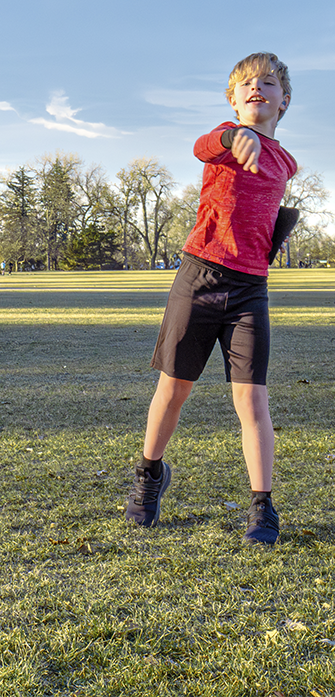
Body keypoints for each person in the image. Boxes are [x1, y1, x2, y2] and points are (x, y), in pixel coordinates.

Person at [124, 52, 296, 546]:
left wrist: (273, 233)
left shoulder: (286, 162)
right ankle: (150, 475)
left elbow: (261, 210)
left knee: (252, 399)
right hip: (198, 278)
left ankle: (262, 506)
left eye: (268, 83)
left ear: (284, 101)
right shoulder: (224, 138)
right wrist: (231, 136)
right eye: (246, 84)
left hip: (249, 290)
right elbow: (201, 146)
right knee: (173, 389)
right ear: (233, 99)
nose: (256, 88)